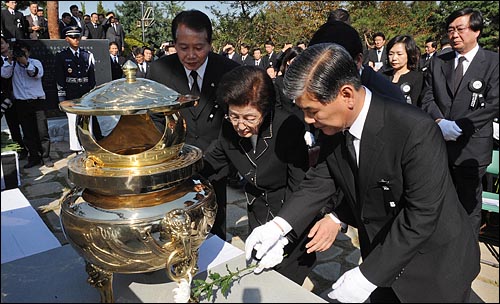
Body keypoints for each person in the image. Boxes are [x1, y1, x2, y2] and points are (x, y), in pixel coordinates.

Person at [244, 43, 480, 303]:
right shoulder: (335, 126)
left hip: (433, 266)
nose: (308, 120)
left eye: (312, 111)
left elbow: (422, 215)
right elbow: (321, 179)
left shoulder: (414, 130)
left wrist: (368, 275)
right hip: (381, 254)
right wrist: (278, 226)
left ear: (346, 95)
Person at [200, 65, 315, 284]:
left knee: (286, 282)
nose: (240, 126)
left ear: (266, 109)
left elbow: (300, 186)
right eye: (234, 116)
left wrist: (284, 233)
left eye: (249, 118)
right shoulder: (229, 128)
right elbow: (211, 162)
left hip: (290, 212)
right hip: (258, 211)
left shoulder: (288, 127)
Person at [147, 10, 240, 241]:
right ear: (174, 44)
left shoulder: (229, 71)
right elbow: (155, 118)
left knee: (214, 224)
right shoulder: (160, 71)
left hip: (216, 159)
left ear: (209, 43)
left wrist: (214, 156)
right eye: (183, 47)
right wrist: (172, 153)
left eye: (198, 47)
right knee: (177, 226)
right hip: (175, 163)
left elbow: (233, 121)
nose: (190, 55)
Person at [420, 7, 499, 235]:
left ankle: (466, 256)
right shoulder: (438, 60)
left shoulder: (493, 62)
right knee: (439, 201)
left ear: (476, 31)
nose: (454, 34)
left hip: (472, 148)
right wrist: (440, 122)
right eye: (450, 30)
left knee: (468, 206)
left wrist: (460, 126)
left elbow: (494, 103)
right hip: (439, 144)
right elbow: (427, 96)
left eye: (460, 29)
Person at [3, 40, 53, 168]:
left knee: (42, 132)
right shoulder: (11, 65)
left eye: (23, 52)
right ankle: (34, 157)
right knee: (28, 132)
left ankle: (46, 156)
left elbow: (36, 74)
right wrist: (10, 60)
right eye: (19, 52)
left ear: (29, 52)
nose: (21, 55)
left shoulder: (35, 62)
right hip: (21, 104)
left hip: (37, 102)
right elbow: (4, 74)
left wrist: (25, 62)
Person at [55, 26, 101, 153]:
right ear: (67, 39)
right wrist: (62, 98)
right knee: (73, 120)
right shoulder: (61, 56)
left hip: (85, 92)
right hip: (71, 92)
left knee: (88, 121)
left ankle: (89, 145)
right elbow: (59, 78)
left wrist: (93, 95)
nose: (76, 39)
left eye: (78, 37)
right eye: (73, 37)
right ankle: (76, 148)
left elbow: (92, 77)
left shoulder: (87, 55)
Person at [1, 34, 27, 159]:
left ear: (7, 44)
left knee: (27, 124)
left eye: (1, 43)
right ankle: (21, 149)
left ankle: (33, 149)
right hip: (7, 98)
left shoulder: (19, 56)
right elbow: (5, 75)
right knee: (13, 126)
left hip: (23, 95)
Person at [381, 35, 424, 106]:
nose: (394, 58)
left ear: (409, 54)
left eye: (399, 54)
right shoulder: (383, 76)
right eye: (391, 54)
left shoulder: (417, 77)